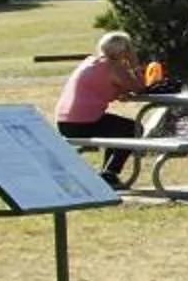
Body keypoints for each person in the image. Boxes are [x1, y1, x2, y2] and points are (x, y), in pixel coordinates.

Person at [53, 32, 148, 187]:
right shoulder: (114, 67)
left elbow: (99, 87)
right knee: (133, 128)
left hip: (65, 122)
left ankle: (107, 173)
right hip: (84, 123)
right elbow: (140, 87)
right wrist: (134, 64)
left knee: (118, 129)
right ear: (124, 51)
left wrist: (118, 92)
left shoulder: (90, 61)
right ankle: (110, 173)